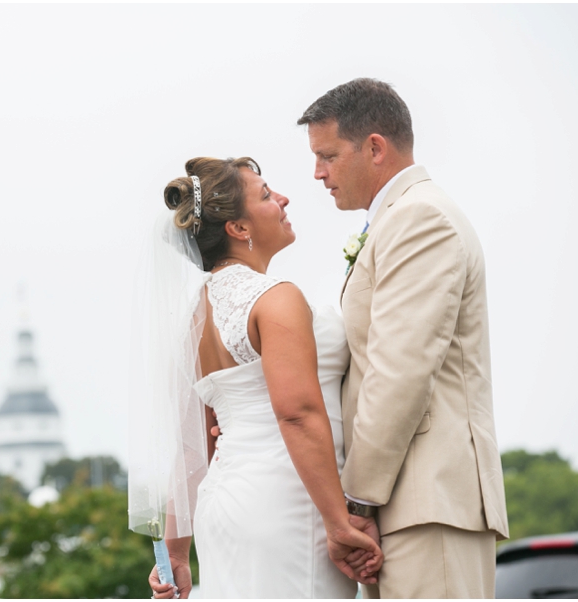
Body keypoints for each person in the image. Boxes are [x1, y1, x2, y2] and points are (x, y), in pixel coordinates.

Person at [298, 78, 509, 598]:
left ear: (374, 147)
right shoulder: (399, 219)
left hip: (427, 501)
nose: (317, 173)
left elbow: (400, 373)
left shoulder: (420, 219)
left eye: (327, 155)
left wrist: (357, 500)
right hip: (408, 501)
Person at [136, 157, 382, 599]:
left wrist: (175, 552)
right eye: (267, 195)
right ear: (238, 229)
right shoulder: (276, 299)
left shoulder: (195, 316)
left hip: (225, 504)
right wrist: (338, 523)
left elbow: (195, 443)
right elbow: (298, 415)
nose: (283, 199)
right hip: (289, 502)